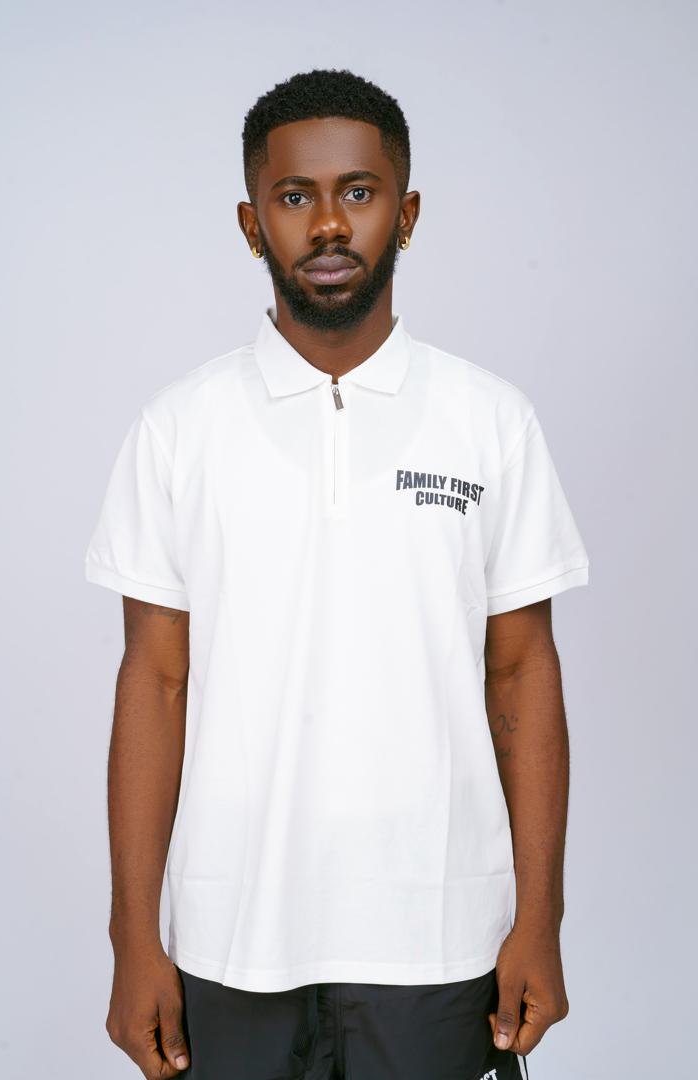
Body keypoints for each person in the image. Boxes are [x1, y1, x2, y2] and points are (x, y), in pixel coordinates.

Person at [85, 68, 589, 1080]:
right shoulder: (179, 429)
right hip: (232, 939)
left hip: (440, 940)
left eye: (358, 192)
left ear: (406, 213)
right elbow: (155, 680)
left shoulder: (491, 421)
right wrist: (132, 937)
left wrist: (541, 917)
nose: (327, 224)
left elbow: (522, 671)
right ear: (251, 223)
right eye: (294, 195)